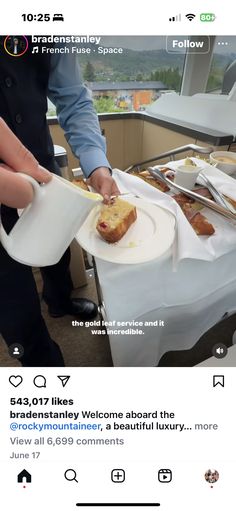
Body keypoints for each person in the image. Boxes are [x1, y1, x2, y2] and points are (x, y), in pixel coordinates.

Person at [0, 37, 119, 366]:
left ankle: (59, 299)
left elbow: (74, 99)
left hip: (40, 162)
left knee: (58, 246)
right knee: (12, 297)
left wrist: (96, 164)